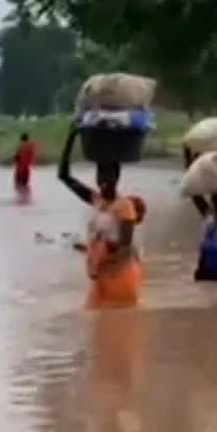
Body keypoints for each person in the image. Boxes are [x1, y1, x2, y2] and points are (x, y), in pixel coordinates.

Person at [60, 126, 146, 307]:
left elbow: (124, 247)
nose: (103, 179)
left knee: (117, 327)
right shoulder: (98, 202)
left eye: (108, 174)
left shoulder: (124, 206)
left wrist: (101, 259)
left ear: (117, 177)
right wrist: (71, 136)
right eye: (100, 174)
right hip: (100, 277)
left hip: (119, 276)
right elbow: (64, 176)